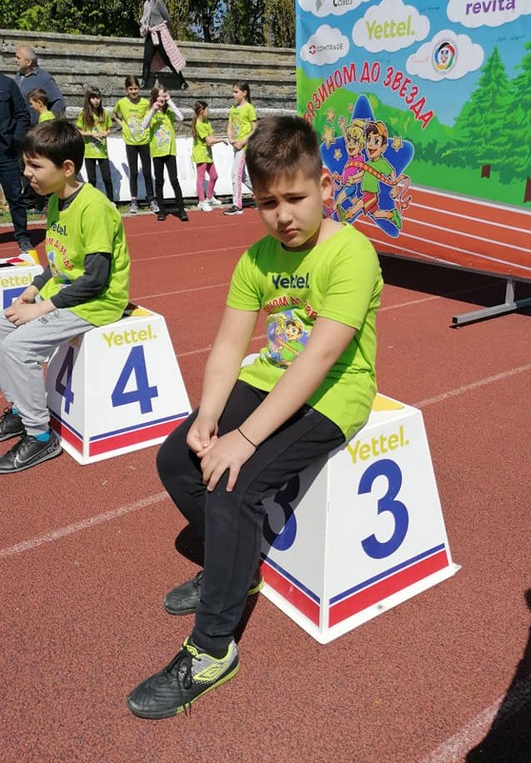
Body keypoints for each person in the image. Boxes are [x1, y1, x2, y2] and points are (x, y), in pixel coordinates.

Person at [126, 115, 383, 719]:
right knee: (177, 458)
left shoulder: (351, 252)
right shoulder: (256, 259)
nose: (283, 216)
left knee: (231, 481)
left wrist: (242, 438)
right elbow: (228, 345)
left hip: (335, 393)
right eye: (268, 203)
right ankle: (234, 567)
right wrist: (208, 417)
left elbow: (320, 358)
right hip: (270, 377)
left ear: (325, 187)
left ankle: (213, 649)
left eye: (295, 198)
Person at [0, 120, 130, 474]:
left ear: (67, 168)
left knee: (18, 348)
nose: (27, 173)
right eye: (25, 164)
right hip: (67, 293)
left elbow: (96, 280)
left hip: (98, 302)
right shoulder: (57, 200)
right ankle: (21, 411)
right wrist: (32, 290)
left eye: (35, 165)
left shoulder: (94, 208)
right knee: (1, 326)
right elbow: (58, 262)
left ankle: (40, 436)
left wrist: (41, 308)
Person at [141, 84, 188, 222]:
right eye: (159, 96)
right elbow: (144, 125)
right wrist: (153, 109)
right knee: (159, 181)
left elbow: (181, 117)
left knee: (174, 180)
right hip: (157, 152)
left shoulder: (169, 112)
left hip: (169, 151)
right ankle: (162, 210)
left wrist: (170, 101)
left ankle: (181, 209)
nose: (161, 98)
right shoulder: (151, 112)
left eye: (163, 95)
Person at [112, 76, 158, 214]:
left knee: (147, 171)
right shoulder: (121, 102)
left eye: (136, 88)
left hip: (144, 140)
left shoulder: (145, 103)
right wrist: (123, 126)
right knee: (133, 172)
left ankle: (151, 200)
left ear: (139, 88)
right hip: (130, 141)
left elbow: (150, 116)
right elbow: (114, 115)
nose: (133, 91)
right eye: (131, 89)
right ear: (126, 89)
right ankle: (134, 201)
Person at [0, 73, 34, 253]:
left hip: (6, 152)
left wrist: (15, 139)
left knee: (14, 196)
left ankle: (22, 236)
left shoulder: (8, 84)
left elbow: (22, 114)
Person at [139, 0, 188, 91]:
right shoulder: (146, 4)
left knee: (168, 59)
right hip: (150, 33)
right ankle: (144, 82)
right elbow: (145, 20)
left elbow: (167, 17)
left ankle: (182, 81)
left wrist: (164, 29)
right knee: (147, 59)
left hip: (160, 33)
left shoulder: (159, 2)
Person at [76, 86, 115, 204]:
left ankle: (111, 201)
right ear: (88, 99)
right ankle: (93, 202)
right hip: (89, 152)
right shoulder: (83, 114)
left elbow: (109, 128)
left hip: (102, 151)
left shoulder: (104, 113)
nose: (96, 101)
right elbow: (78, 131)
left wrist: (106, 133)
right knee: (92, 179)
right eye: (93, 98)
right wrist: (91, 134)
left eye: (98, 98)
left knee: (107, 178)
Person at [223, 81, 257, 216]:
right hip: (236, 146)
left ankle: (237, 205)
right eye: (233, 92)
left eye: (236, 92)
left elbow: (255, 129)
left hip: (245, 146)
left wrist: (243, 141)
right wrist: (231, 139)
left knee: (235, 173)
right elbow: (230, 126)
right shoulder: (233, 109)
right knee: (242, 176)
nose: (233, 94)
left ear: (244, 93)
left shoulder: (249, 108)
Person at [14, 45, 66, 125]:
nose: (15, 60)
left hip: (35, 128)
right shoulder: (19, 75)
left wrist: (48, 122)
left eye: (18, 58)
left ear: (28, 62)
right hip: (19, 125)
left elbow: (59, 102)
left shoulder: (44, 78)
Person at [192, 100, 223, 212]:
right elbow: (209, 141)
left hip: (208, 153)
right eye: (207, 110)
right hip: (200, 153)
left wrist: (214, 140)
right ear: (201, 111)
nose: (208, 112)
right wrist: (223, 140)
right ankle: (201, 201)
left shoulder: (207, 122)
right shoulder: (198, 124)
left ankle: (209, 197)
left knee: (214, 176)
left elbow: (211, 138)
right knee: (200, 178)